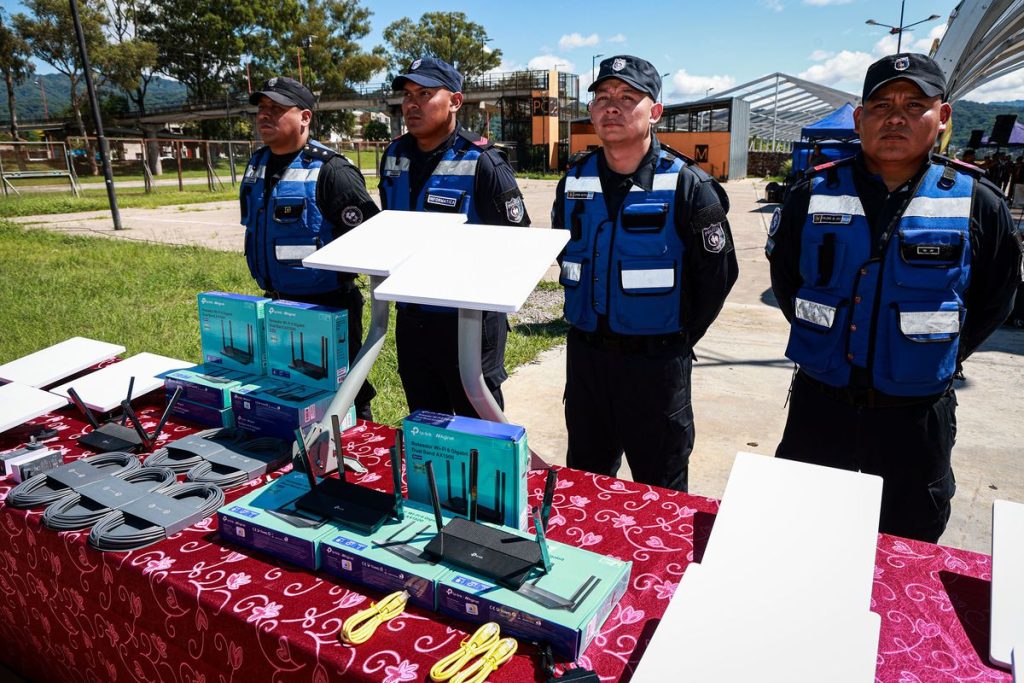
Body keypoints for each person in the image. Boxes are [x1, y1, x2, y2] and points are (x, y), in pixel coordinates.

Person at [766, 54, 1023, 542]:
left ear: (942, 116)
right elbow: (787, 284)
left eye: (914, 104)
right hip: (821, 407)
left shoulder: (978, 201)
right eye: (881, 105)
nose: (896, 117)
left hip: (914, 416)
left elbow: (996, 298)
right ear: (860, 118)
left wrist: (929, 355)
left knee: (908, 548)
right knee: (801, 537)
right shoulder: (811, 192)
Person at [552, 55, 738, 492]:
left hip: (656, 368)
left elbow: (717, 277)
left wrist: (673, 338)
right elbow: (565, 254)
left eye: (627, 97)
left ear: (655, 111)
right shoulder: (573, 180)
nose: (611, 107)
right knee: (584, 482)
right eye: (602, 98)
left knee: (661, 491)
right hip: (587, 363)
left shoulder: (689, 184)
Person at [379, 57, 531, 418]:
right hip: (412, 318)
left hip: (468, 323)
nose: (412, 104)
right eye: (408, 95)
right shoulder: (393, 156)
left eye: (426, 93)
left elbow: (517, 245)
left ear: (455, 102)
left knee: (478, 425)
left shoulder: (483, 162)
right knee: (426, 422)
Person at [241, 76, 378, 419]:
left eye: (275, 108)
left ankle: (358, 448)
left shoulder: (332, 170)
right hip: (276, 303)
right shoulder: (256, 165)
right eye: (261, 109)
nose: (264, 116)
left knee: (345, 393)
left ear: (305, 117)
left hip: (327, 307)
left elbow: (373, 237)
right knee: (291, 390)